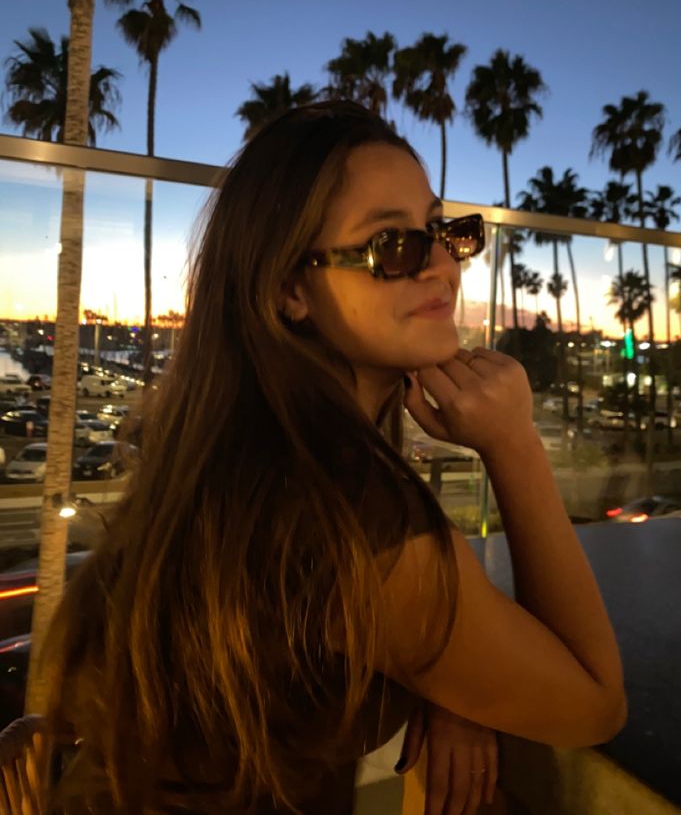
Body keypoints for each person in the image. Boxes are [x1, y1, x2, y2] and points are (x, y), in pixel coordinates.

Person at [42, 101, 626, 814]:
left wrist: (452, 679)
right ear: (290, 288)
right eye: (393, 244)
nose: (443, 263)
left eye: (442, 231)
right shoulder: (339, 503)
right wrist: (515, 443)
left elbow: (396, 618)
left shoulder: (255, 451)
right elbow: (594, 701)